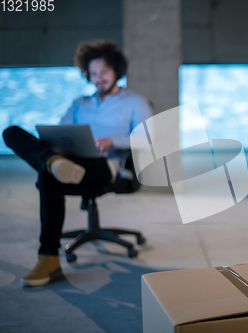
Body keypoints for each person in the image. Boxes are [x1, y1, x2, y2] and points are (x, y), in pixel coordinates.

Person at [2, 40, 153, 287]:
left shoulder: (134, 101)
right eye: (92, 74)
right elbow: (58, 132)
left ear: (116, 70)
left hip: (104, 165)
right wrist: (53, 144)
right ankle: (52, 161)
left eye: (103, 72)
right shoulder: (79, 103)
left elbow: (148, 139)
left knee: (48, 175)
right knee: (11, 133)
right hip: (70, 158)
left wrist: (111, 141)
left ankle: (49, 259)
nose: (98, 79)